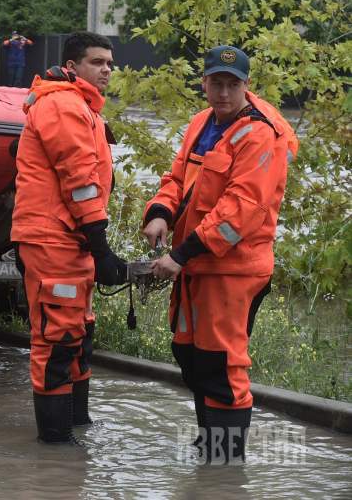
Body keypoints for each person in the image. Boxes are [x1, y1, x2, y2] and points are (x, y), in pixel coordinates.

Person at [142, 45, 298, 464]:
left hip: (232, 270)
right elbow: (177, 178)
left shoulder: (260, 133)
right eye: (217, 83)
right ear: (204, 84)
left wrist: (181, 255)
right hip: (196, 265)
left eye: (232, 84)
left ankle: (225, 469)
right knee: (191, 356)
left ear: (247, 86)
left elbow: (240, 210)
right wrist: (159, 213)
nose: (224, 92)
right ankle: (209, 454)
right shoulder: (202, 122)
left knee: (221, 366)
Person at [11, 31, 127, 443]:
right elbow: (79, 181)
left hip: (70, 238)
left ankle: (78, 428)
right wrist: (101, 244)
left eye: (110, 64)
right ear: (73, 66)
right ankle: (57, 446)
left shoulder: (81, 107)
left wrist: (95, 244)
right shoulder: (63, 105)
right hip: (53, 239)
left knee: (78, 333)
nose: (107, 70)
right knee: (58, 339)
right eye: (98, 63)